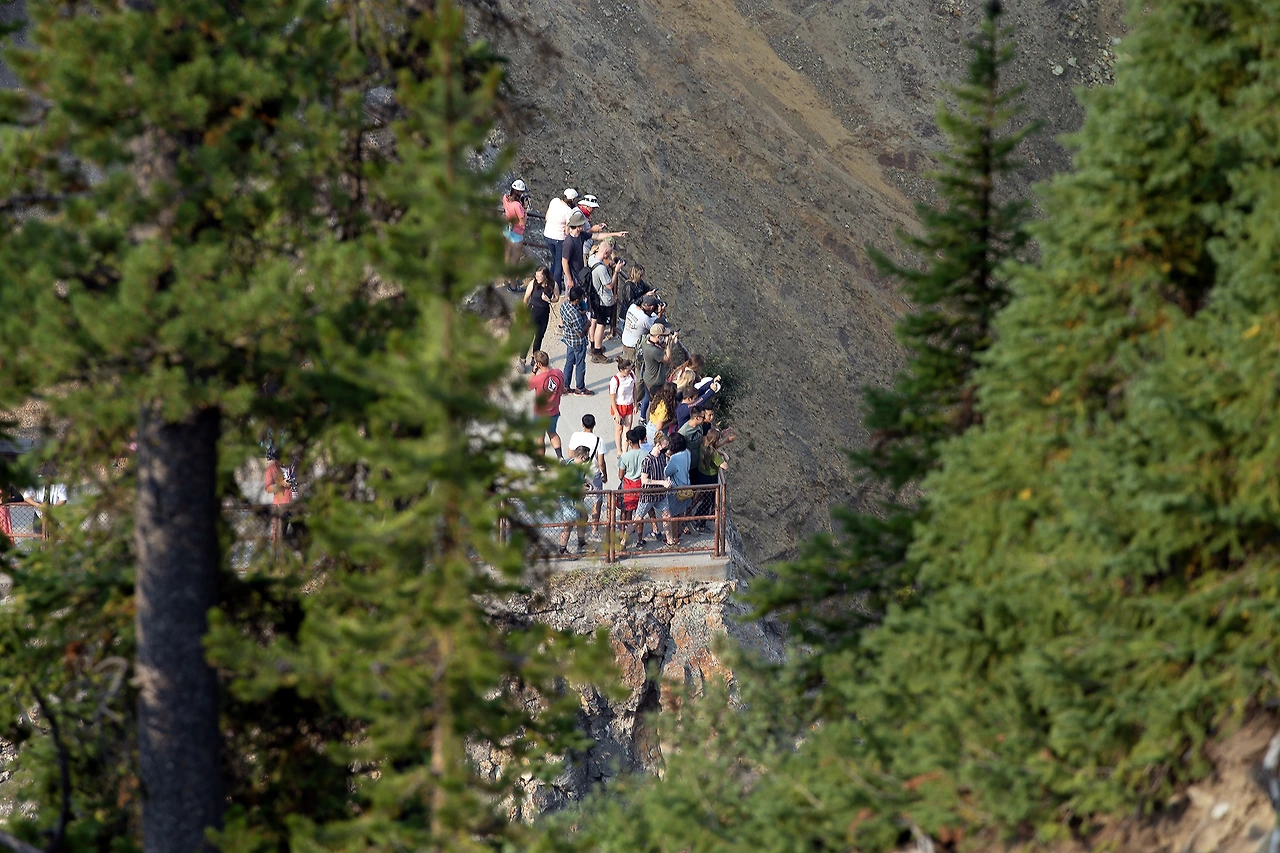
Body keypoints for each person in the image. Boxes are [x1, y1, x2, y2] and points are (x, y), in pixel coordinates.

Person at [568, 414, 609, 531]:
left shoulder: (575, 436)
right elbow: (601, 462)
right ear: (594, 424)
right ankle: (594, 528)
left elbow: (570, 455)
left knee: (580, 498)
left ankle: (581, 525)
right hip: (593, 473)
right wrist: (604, 475)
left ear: (582, 424)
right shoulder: (599, 440)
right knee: (597, 500)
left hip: (579, 472)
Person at [639, 323, 685, 421]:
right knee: (655, 403)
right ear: (658, 336)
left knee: (647, 399)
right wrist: (668, 344)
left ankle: (642, 417)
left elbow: (660, 348)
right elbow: (668, 359)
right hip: (655, 381)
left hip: (648, 377)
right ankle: (650, 421)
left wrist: (671, 340)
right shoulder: (654, 351)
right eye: (663, 336)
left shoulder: (646, 342)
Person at [636, 430, 673, 547]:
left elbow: (663, 472)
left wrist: (666, 480)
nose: (666, 449)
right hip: (648, 495)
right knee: (637, 518)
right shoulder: (647, 460)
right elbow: (644, 480)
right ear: (657, 445)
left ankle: (670, 541)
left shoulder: (662, 457)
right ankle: (623, 541)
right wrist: (662, 482)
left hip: (660, 494)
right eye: (664, 447)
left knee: (667, 516)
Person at [587, 246, 624, 363]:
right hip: (602, 300)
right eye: (609, 254)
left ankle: (593, 346)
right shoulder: (601, 269)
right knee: (601, 325)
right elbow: (609, 285)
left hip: (593, 297)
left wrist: (610, 264)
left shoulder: (592, 258)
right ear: (606, 252)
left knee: (594, 321)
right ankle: (597, 352)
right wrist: (616, 271)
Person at [527, 350, 566, 461]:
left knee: (540, 437)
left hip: (540, 413)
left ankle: (541, 462)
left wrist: (533, 372)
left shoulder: (538, 379)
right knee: (552, 433)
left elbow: (527, 386)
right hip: (554, 411)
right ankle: (560, 457)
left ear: (539, 364)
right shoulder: (558, 373)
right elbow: (563, 390)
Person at [692, 427, 730, 529]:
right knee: (707, 502)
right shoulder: (713, 454)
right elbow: (725, 466)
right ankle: (700, 522)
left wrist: (722, 453)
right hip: (710, 479)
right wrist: (724, 458)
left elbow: (714, 449)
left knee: (700, 498)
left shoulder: (703, 446)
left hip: (701, 475)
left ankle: (693, 516)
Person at [520, 266, 556, 373]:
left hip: (544, 314)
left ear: (545, 276)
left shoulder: (552, 284)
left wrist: (549, 299)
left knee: (539, 336)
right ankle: (522, 360)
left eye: (539, 276)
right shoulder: (533, 283)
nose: (537, 278)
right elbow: (526, 298)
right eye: (536, 275)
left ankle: (535, 358)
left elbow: (556, 297)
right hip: (532, 312)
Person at [557, 446, 592, 556]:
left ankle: (581, 542)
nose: (587, 460)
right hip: (569, 501)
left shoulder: (576, 465)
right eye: (586, 458)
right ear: (581, 457)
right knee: (568, 526)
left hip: (577, 500)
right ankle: (562, 549)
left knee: (583, 517)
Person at [558, 284, 592, 396]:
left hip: (569, 339)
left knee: (569, 362)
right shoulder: (575, 316)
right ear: (577, 300)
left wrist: (581, 313)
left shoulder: (564, 305)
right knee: (580, 364)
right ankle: (580, 388)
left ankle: (565, 386)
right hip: (578, 342)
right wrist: (588, 323)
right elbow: (580, 333)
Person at [617, 426, 647, 548]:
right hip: (641, 486)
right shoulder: (646, 455)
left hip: (628, 487)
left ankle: (623, 534)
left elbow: (620, 475)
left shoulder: (625, 456)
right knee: (639, 514)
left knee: (624, 511)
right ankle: (639, 540)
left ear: (629, 442)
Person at [543, 188, 579, 291]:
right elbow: (567, 231)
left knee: (556, 260)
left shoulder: (554, 201)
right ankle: (556, 288)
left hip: (547, 235)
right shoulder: (568, 211)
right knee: (559, 264)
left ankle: (548, 281)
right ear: (572, 200)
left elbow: (546, 217)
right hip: (559, 239)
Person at [664, 432, 693, 543]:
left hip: (675, 490)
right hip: (686, 487)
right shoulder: (687, 452)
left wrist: (668, 459)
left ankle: (675, 537)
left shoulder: (674, 458)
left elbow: (667, 472)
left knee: (674, 515)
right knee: (681, 512)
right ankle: (679, 534)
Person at [263, 447, 294, 543]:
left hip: (294, 504)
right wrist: (281, 484)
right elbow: (268, 488)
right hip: (280, 505)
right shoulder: (271, 469)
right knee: (279, 535)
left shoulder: (293, 467)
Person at [608, 358, 637, 462]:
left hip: (629, 405)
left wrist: (635, 403)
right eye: (628, 370)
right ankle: (619, 450)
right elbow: (612, 398)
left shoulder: (632, 375)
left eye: (630, 370)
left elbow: (634, 389)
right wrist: (616, 413)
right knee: (619, 430)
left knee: (627, 430)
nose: (629, 372)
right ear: (621, 369)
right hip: (619, 407)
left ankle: (625, 452)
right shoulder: (615, 380)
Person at [621, 294, 660, 364]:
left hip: (625, 341)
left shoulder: (632, 307)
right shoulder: (645, 319)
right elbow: (656, 328)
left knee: (625, 364)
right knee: (633, 366)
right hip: (633, 347)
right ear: (652, 307)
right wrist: (660, 313)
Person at [502, 179, 528, 274]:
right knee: (515, 259)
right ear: (519, 193)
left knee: (507, 253)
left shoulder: (505, 198)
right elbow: (523, 222)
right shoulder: (517, 205)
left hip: (507, 229)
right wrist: (525, 208)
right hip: (516, 233)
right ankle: (512, 280)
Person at [646, 382, 679, 446]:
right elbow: (659, 427)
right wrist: (672, 421)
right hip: (656, 433)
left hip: (650, 426)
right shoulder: (664, 409)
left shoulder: (657, 398)